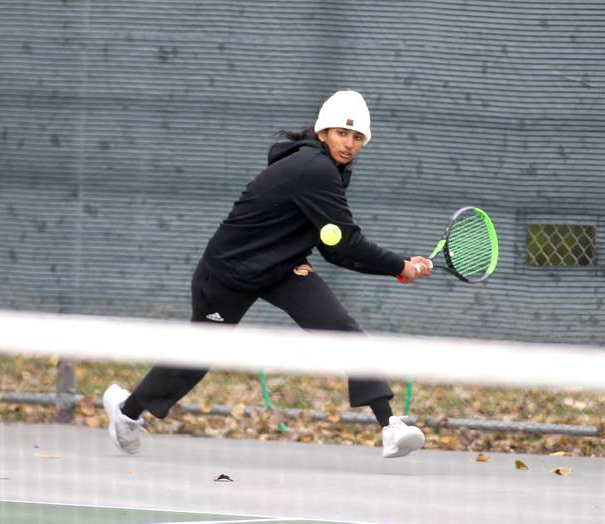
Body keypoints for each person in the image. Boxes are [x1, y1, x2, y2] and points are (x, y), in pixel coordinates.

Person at [103, 90, 433, 459]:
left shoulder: (334, 173)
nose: (350, 143)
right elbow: (348, 243)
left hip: (282, 268)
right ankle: (127, 411)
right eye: (343, 133)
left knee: (342, 329)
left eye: (358, 138)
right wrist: (400, 266)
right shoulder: (316, 169)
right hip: (228, 272)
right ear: (324, 133)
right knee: (198, 355)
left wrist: (400, 263)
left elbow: (334, 245)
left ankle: (390, 427)